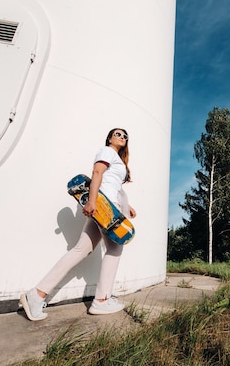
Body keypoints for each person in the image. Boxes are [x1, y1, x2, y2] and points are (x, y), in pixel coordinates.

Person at [20, 128, 136, 321]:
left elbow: (111, 184)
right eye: (118, 134)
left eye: (125, 136)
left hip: (106, 204)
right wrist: (91, 202)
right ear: (109, 138)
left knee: (81, 250)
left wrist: (126, 206)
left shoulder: (117, 158)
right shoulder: (107, 151)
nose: (122, 137)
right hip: (103, 205)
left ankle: (36, 294)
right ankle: (101, 300)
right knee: (115, 248)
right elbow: (97, 174)